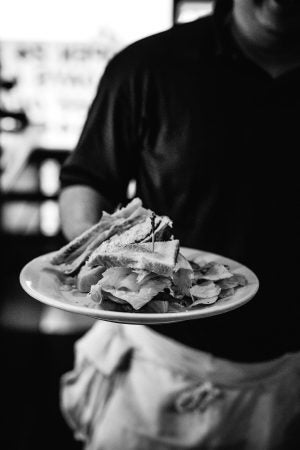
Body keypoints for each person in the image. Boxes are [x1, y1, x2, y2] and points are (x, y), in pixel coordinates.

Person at [58, 0, 300, 448]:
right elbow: (86, 180)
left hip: (285, 380)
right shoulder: (148, 65)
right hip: (155, 370)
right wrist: (103, 258)